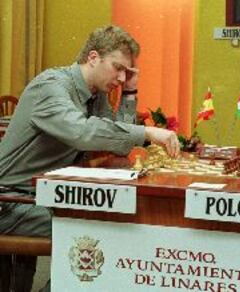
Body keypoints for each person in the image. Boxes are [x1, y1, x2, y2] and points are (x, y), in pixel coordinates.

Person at [0, 25, 180, 292]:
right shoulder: (51, 86)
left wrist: (129, 93)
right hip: (9, 200)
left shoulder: (95, 95)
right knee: (96, 234)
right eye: (118, 68)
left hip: (40, 197)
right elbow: (83, 133)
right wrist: (147, 132)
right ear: (93, 57)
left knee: (104, 227)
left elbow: (116, 145)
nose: (121, 77)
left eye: (127, 72)